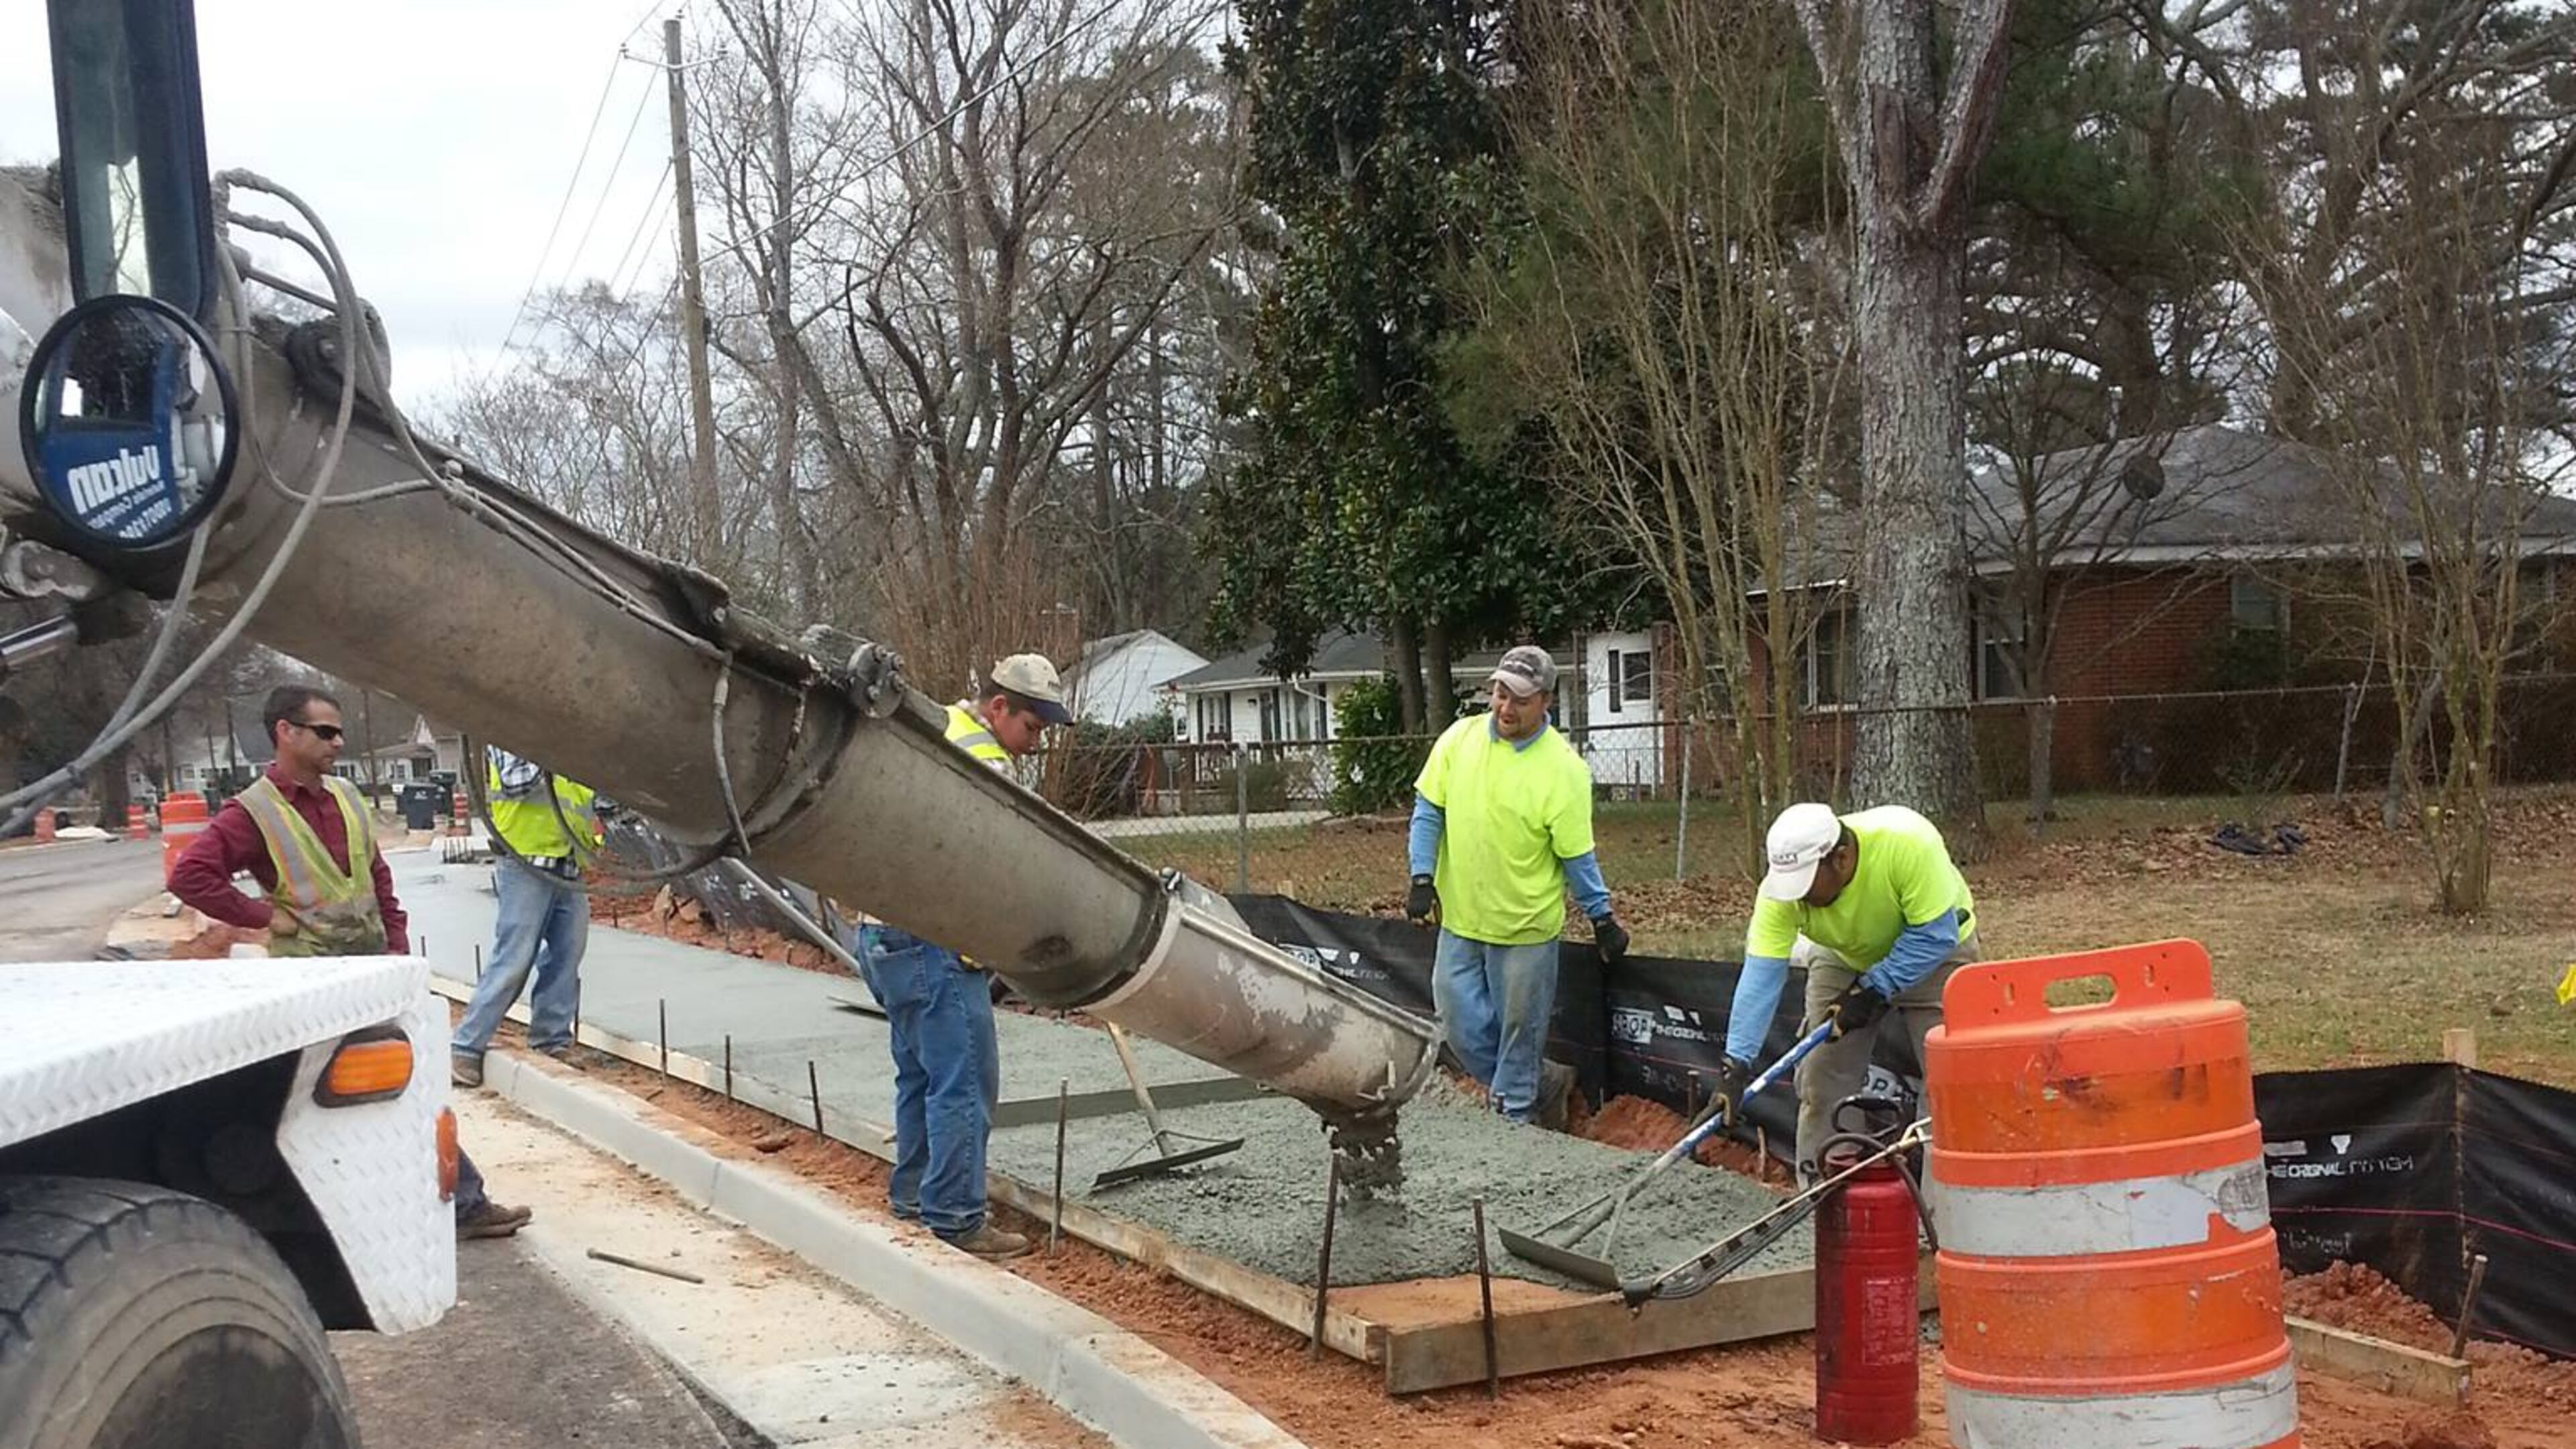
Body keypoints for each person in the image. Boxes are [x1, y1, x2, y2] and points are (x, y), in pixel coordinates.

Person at [169, 684, 533, 1239]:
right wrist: (264, 917)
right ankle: (267, 1210)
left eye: (340, 732)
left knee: (400, 1087)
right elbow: (190, 876)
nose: (338, 742)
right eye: (325, 732)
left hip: (369, 971)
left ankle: (457, 1203)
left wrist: (397, 946)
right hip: (311, 977)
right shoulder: (255, 813)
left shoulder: (345, 797)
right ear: (285, 733)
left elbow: (376, 876)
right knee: (310, 1098)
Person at [851, 653, 1072, 1260]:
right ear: (999, 707)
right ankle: (955, 1217)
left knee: (919, 1074)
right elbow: (997, 868)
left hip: (883, 936)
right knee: (963, 1083)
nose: (1035, 743)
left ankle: (916, 1197)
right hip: (934, 942)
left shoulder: (938, 725)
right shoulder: (986, 760)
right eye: (1032, 727)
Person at [1405, 645, 1629, 1126]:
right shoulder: (1459, 740)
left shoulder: (1563, 770)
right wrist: (1422, 877)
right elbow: (1428, 811)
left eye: (1520, 699)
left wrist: (1601, 917)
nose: (1505, 707)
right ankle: (1543, 1083)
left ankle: (1517, 1122)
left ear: (1546, 701)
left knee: (1519, 1033)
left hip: (1526, 928)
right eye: (1500, 693)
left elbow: (1576, 856)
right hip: (1462, 920)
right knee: (1459, 1026)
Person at [1713, 802, 1978, 1179]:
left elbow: (1936, 934)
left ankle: (1945, 1209)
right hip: (1845, 956)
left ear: (1840, 858)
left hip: (1935, 952)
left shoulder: (1907, 843)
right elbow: (1761, 976)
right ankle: (1825, 1197)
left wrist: (1874, 990)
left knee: (1950, 1082)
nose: (1797, 898)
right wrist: (1735, 1066)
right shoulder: (1781, 895)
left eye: (1805, 885)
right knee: (1821, 1076)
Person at [451, 747, 602, 1088]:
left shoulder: (570, 738)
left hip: (567, 860)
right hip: (525, 861)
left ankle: (551, 1040)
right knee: (515, 956)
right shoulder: (513, 735)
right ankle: (465, 1046)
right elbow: (517, 783)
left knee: (567, 955)